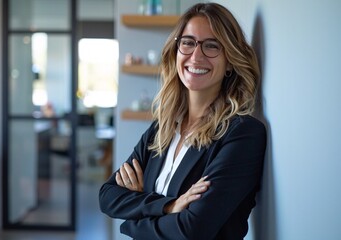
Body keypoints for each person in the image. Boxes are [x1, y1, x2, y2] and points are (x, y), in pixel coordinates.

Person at [99, 2, 266, 239]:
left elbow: (192, 230)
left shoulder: (242, 134)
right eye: (187, 43)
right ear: (176, 51)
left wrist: (132, 221)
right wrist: (168, 206)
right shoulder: (162, 129)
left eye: (212, 46)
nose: (196, 56)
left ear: (229, 61)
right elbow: (107, 195)